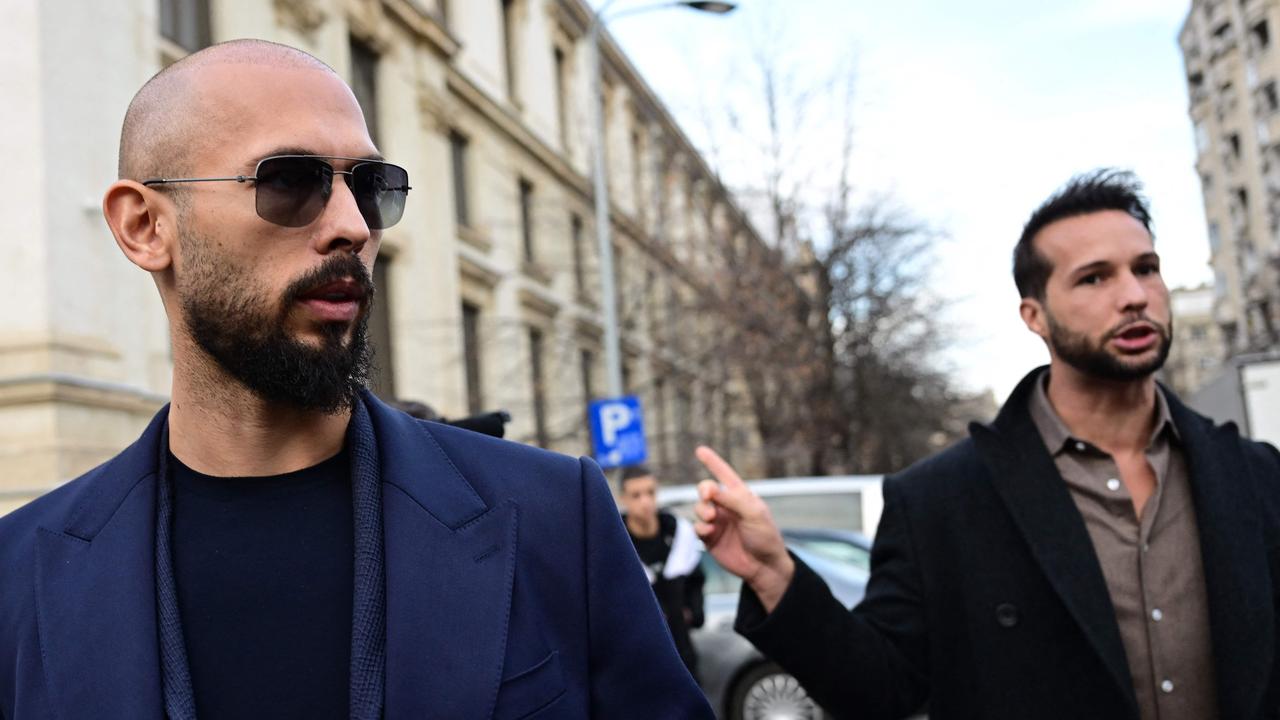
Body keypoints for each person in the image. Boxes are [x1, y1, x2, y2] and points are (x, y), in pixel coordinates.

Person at [0, 39, 711, 720]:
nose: (353, 226)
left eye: (372, 187)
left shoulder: (556, 520)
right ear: (146, 226)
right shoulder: (21, 575)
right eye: (288, 181)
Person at [693, 170, 1280, 720]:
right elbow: (880, 688)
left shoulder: (1254, 477)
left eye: (1146, 268)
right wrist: (775, 577)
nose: (1134, 295)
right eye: (1095, 277)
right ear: (1035, 315)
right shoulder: (941, 502)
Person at [619, 465, 706, 678]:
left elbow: (696, 578)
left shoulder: (678, 533)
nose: (645, 502)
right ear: (623, 499)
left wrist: (692, 611)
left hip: (682, 652)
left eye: (650, 492)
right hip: (639, 660)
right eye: (636, 495)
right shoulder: (616, 542)